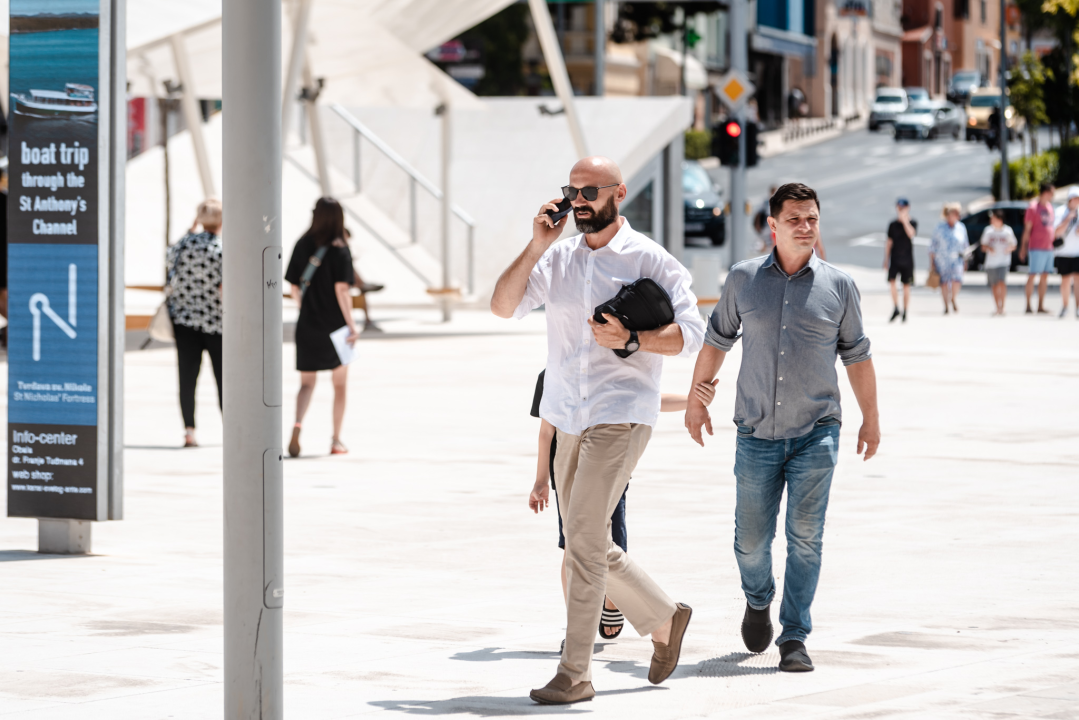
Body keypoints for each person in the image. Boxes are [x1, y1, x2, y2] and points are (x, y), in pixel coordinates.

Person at [492, 156, 706, 705]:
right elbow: (502, 305)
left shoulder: (648, 258)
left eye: (590, 191)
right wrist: (536, 245)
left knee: (583, 540)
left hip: (621, 411)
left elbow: (692, 333)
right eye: (572, 191)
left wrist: (633, 341)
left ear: (619, 193)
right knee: (588, 542)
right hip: (566, 414)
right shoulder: (557, 258)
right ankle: (665, 618)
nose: (579, 201)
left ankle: (576, 673)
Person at [685, 182, 879, 674]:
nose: (805, 227)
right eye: (794, 218)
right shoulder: (744, 279)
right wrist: (696, 401)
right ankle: (758, 600)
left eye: (812, 218)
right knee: (750, 542)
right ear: (773, 225)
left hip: (818, 430)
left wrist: (870, 420)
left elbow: (858, 357)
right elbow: (716, 340)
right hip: (756, 432)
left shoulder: (839, 286)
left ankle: (794, 635)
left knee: (806, 537)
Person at [528, 371, 718, 646]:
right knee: (573, 548)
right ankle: (576, 628)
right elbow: (547, 432)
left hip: (607, 470)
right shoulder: (553, 373)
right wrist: (541, 480)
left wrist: (693, 401)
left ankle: (614, 600)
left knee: (610, 544)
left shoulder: (610, 371)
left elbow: (651, 400)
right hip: (568, 473)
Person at [285, 197, 359, 457]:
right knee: (339, 385)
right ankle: (336, 440)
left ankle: (297, 424)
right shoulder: (341, 248)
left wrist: (305, 308)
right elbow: (342, 290)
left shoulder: (302, 243)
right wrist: (352, 325)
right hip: (336, 327)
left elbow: (294, 287)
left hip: (307, 324)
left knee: (306, 384)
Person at [166, 199, 224, 448]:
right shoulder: (222, 249)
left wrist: (191, 229)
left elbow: (169, 259)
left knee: (187, 378)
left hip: (185, 322)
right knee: (223, 379)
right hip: (216, 324)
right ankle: (230, 429)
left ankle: (189, 432)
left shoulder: (185, 244)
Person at [1020, 183, 1056, 314]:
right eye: (1051, 193)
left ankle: (1040, 305)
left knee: (1045, 276)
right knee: (1032, 275)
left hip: (1049, 247)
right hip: (1036, 247)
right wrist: (1023, 248)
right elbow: (1027, 229)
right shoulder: (1033, 207)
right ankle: (1028, 305)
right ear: (1045, 193)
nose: (1053, 196)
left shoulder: (1050, 207)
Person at [928, 202, 969, 314]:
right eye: (955, 213)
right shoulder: (939, 228)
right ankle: (946, 306)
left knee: (957, 281)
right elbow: (933, 245)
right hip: (942, 260)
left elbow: (965, 245)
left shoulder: (961, 227)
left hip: (957, 259)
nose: (957, 215)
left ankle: (953, 298)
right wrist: (932, 262)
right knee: (944, 283)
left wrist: (966, 260)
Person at [883, 198, 917, 322]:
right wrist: (886, 259)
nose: (900, 210)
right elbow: (889, 242)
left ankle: (905, 311)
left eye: (903, 208)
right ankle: (896, 307)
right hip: (895, 259)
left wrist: (905, 221)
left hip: (907, 259)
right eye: (899, 208)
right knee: (892, 282)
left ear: (908, 208)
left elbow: (911, 234)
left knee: (906, 285)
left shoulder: (913, 222)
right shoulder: (892, 224)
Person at [980, 209, 1017, 316]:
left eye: (993, 218)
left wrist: (1008, 249)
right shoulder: (988, 231)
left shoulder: (1007, 231)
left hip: (1003, 261)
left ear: (1000, 219)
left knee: (1002, 283)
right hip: (991, 262)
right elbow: (983, 246)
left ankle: (1003, 307)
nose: (991, 220)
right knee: (994, 285)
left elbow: (1014, 245)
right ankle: (997, 307)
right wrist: (989, 248)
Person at [1054, 186, 1079, 318]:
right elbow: (1057, 232)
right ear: (1070, 199)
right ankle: (1065, 306)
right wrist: (1068, 218)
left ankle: (1078, 308)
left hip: (1077, 252)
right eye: (1075, 198)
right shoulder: (1060, 211)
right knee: (1065, 280)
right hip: (1063, 252)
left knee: (1078, 280)